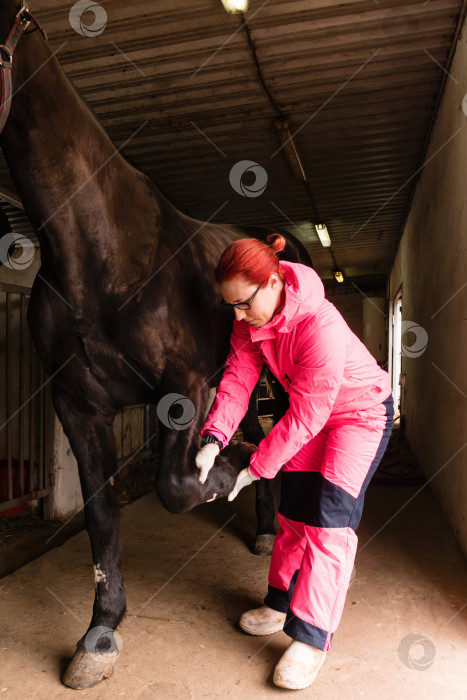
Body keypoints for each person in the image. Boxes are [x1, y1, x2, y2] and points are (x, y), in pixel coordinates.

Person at [195, 234, 394, 690]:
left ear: (272, 282)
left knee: (328, 525)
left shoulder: (318, 325)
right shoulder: (248, 320)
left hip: (358, 415)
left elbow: (307, 414)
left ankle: (310, 637)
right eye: (231, 307)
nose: (238, 317)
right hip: (312, 417)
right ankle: (281, 601)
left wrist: (255, 467)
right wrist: (213, 437)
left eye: (243, 304)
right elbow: (238, 377)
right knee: (292, 514)